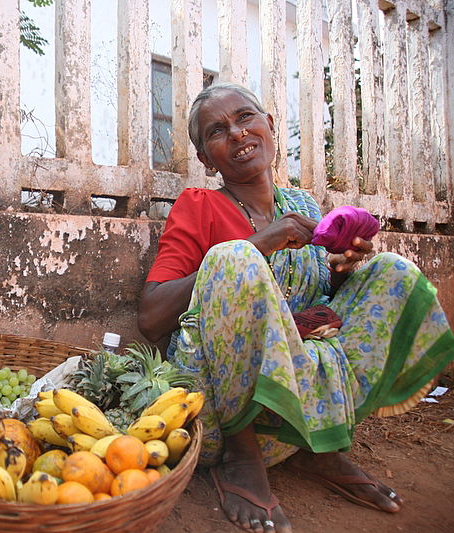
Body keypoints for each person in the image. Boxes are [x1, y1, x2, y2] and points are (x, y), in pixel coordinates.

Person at [138, 82, 454, 533]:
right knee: (233, 258)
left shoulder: (303, 206)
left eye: (246, 117)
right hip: (218, 421)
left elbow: (320, 302)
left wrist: (345, 269)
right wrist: (258, 244)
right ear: (207, 161)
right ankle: (243, 463)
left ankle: (320, 450)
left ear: (270, 126)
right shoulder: (200, 205)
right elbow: (151, 319)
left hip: (301, 410)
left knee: (390, 271)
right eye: (217, 131)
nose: (237, 133)